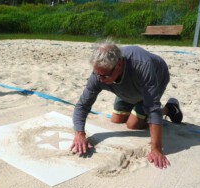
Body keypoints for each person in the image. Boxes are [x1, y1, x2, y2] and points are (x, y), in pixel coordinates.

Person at [70, 41, 183, 169]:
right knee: (116, 120)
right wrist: (79, 134)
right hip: (126, 88)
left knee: (133, 124)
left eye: (104, 75)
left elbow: (153, 109)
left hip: (154, 78)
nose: (100, 79)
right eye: (97, 74)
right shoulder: (100, 74)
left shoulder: (142, 66)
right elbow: (82, 105)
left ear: (118, 64)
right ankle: (136, 108)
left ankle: (169, 108)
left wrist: (156, 149)